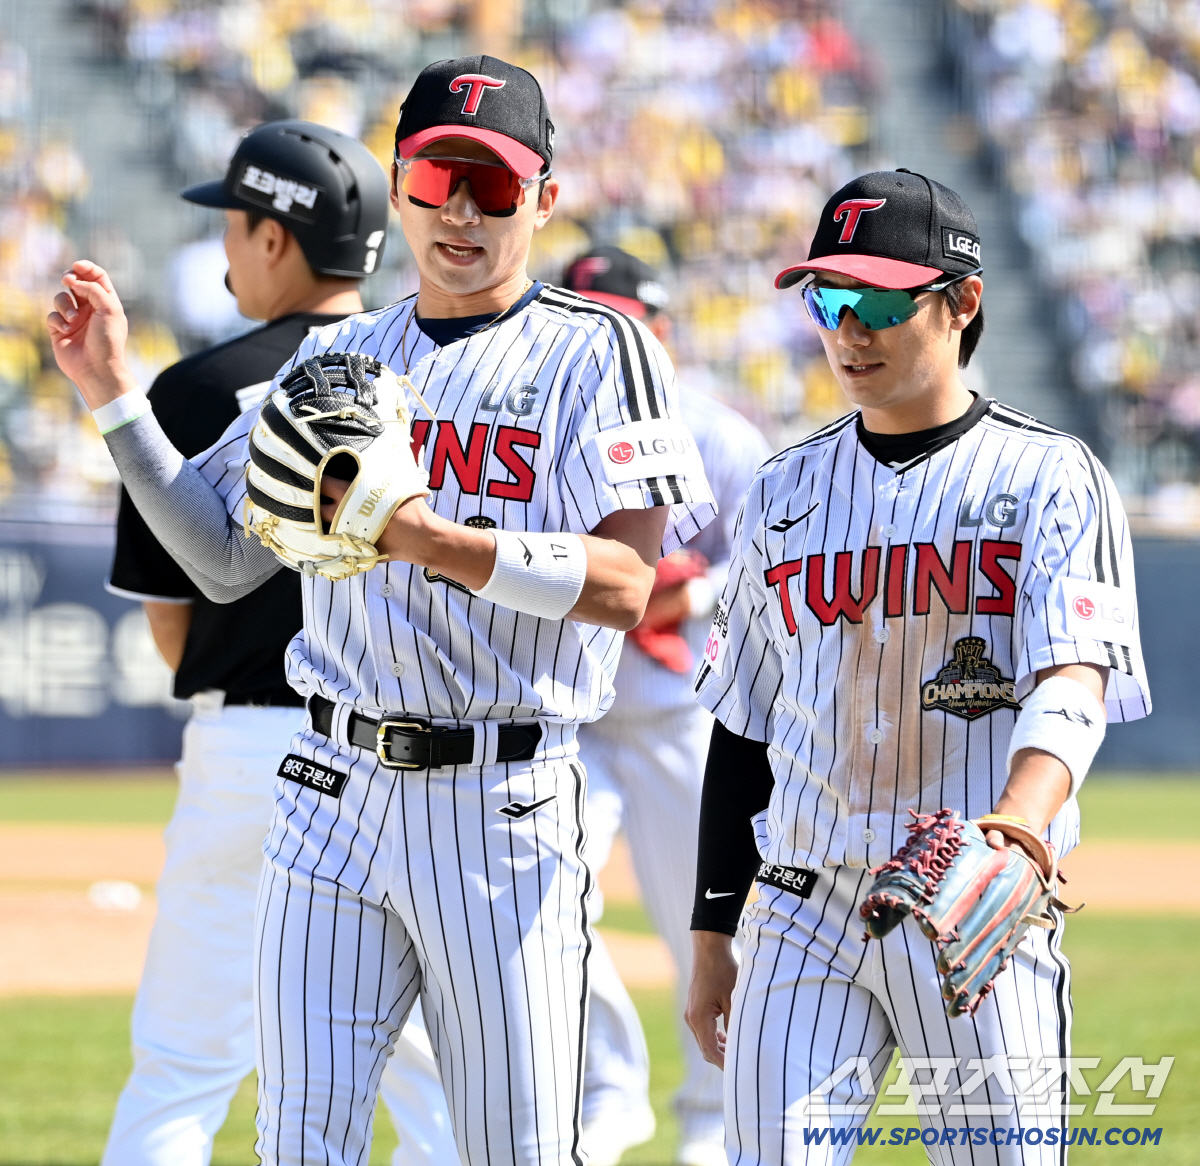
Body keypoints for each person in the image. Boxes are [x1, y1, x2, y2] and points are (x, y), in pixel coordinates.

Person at [49, 54, 715, 1166]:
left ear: (544, 198)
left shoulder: (602, 348)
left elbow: (624, 585)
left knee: (511, 1145)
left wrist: (425, 536)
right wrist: (113, 397)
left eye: (492, 186)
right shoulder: (337, 356)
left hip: (501, 799)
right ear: (401, 184)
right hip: (329, 787)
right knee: (299, 1140)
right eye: (439, 179)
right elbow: (221, 562)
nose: (462, 211)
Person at [684, 169, 1151, 1163]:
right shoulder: (783, 489)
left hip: (970, 896)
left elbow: (1075, 677)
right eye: (828, 300)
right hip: (801, 909)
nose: (850, 329)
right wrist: (712, 929)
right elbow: (744, 723)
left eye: (881, 301)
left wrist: (1019, 823)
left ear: (962, 301)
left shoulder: (1048, 475)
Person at [100, 118, 456, 1166]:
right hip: (402, 751)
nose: (225, 247)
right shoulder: (426, 377)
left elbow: (174, 617)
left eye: (235, 223)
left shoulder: (196, 389)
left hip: (248, 739)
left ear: (273, 236)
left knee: (182, 1067)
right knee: (441, 1089)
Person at [564, 246, 771, 1166]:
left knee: (711, 926)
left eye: (625, 320)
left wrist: (689, 592)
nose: (610, 337)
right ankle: (607, 1089)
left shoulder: (717, 436)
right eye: (591, 318)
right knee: (544, 903)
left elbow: (767, 568)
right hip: (568, 719)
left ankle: (712, 1121)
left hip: (681, 715)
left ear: (660, 331)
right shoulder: (548, 422)